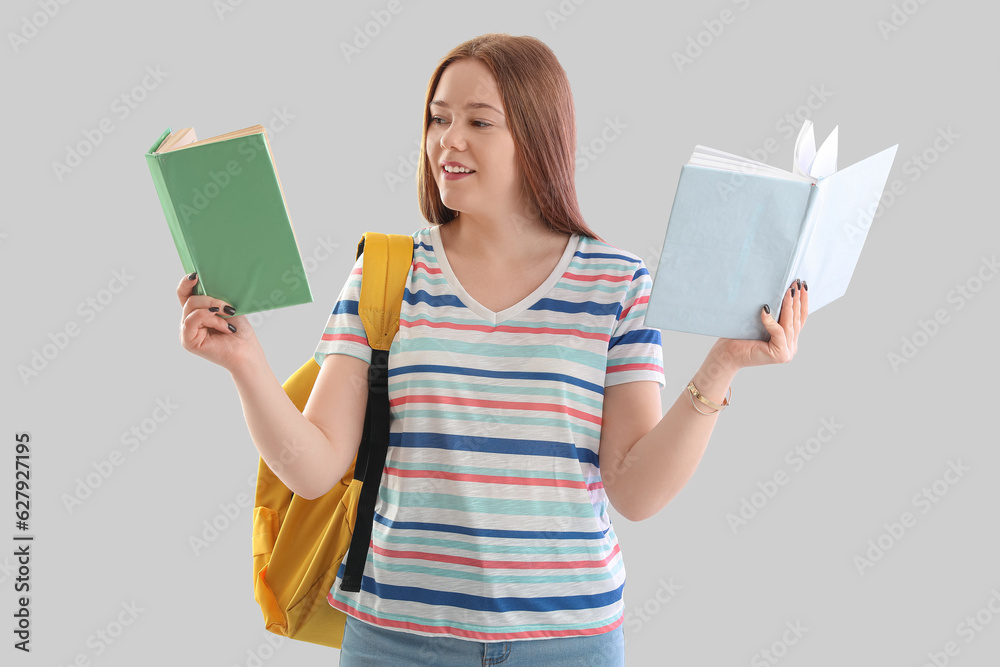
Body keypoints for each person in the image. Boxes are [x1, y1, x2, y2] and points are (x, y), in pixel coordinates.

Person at [176, 33, 807, 667]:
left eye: (479, 121)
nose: (448, 140)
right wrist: (246, 364)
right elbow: (314, 469)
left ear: (537, 139)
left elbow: (636, 492)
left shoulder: (618, 284)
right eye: (438, 118)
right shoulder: (388, 274)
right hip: (398, 639)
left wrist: (722, 365)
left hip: (569, 642)